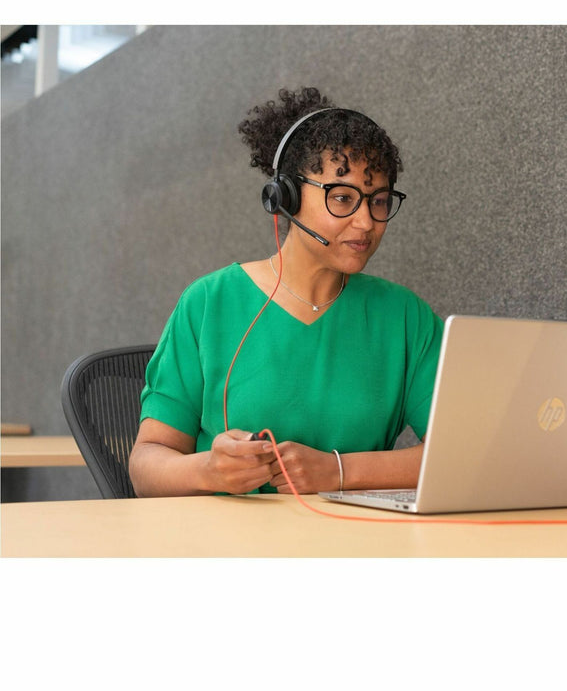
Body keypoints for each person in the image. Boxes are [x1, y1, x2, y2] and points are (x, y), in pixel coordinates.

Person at [129, 87, 443, 497]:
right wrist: (208, 471)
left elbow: (459, 454)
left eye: (379, 201)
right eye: (343, 198)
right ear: (286, 197)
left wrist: (337, 471)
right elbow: (146, 465)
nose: (366, 222)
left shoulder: (405, 318)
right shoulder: (209, 303)